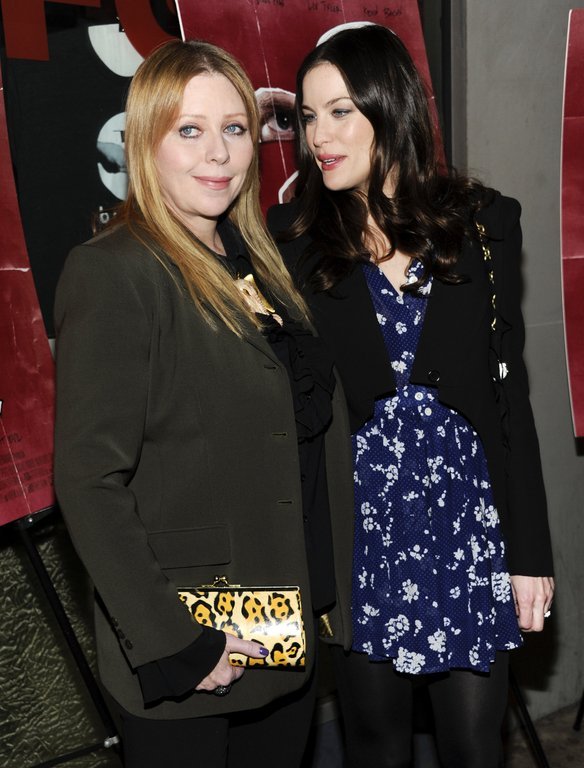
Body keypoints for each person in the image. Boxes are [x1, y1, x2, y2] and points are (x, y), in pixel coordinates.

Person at [53, 39, 354, 768]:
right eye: (189, 129)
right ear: (145, 142)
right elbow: (88, 481)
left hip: (281, 629)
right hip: (194, 644)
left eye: (234, 128)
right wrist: (178, 643)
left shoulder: (259, 260)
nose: (218, 152)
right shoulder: (115, 271)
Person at [268, 24, 554, 768]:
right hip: (362, 527)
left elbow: (510, 398)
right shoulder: (292, 240)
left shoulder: (485, 224)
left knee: (474, 747)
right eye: (308, 116)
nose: (318, 136)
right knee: (376, 745)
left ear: (389, 107)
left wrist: (530, 553)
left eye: (340, 112)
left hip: (467, 525)